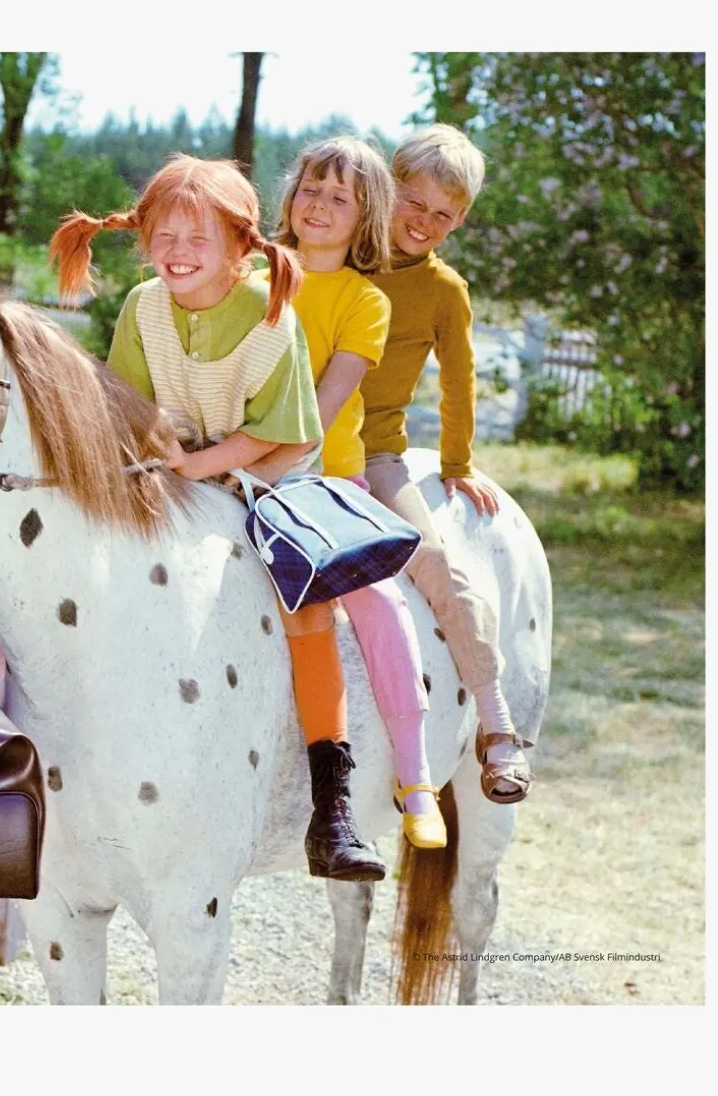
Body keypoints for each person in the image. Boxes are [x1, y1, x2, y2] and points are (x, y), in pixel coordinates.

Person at [49, 154, 385, 880]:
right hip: (179, 463)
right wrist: (157, 450)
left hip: (271, 470)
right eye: (164, 236)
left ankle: (332, 801)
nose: (177, 252)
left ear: (240, 247)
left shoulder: (271, 314)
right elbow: (131, 405)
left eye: (197, 238)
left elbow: (277, 433)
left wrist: (198, 466)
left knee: (306, 605)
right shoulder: (143, 308)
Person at [275, 135, 446, 852]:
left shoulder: (364, 301)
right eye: (310, 189)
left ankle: (415, 774)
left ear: (365, 216)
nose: (318, 205)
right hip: (233, 471)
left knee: (378, 600)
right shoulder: (251, 275)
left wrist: (249, 463)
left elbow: (316, 414)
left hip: (321, 484)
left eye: (338, 198)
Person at [359, 122, 533, 802]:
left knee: (434, 563)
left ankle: (496, 721)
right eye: (415, 202)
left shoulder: (444, 290)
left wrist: (456, 463)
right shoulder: (337, 252)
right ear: (388, 186)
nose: (425, 222)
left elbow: (459, 382)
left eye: (444, 215)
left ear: (460, 221)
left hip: (374, 453)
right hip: (288, 442)